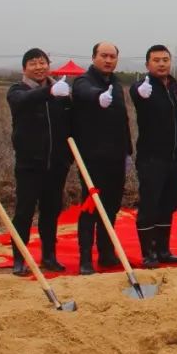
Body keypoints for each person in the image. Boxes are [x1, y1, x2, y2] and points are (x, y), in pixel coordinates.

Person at [5, 48, 72, 274]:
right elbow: (24, 101)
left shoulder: (61, 93)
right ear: (25, 68)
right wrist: (50, 91)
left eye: (42, 62)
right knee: (24, 212)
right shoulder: (17, 91)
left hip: (56, 164)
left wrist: (68, 157)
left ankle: (49, 256)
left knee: (51, 211)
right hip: (29, 165)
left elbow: (70, 123)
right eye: (33, 63)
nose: (39, 67)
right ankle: (19, 259)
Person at [71, 42, 132, 275]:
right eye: (104, 56)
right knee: (91, 207)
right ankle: (85, 258)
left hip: (116, 157)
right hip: (92, 158)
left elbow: (123, 119)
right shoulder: (84, 81)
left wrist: (127, 151)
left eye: (112, 56)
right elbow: (84, 92)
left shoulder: (115, 83)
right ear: (94, 57)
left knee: (111, 207)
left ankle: (106, 253)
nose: (108, 60)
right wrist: (98, 97)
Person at [129, 44, 177, 268]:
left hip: (175, 157)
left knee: (168, 204)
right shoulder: (144, 87)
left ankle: (163, 249)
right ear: (148, 64)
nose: (161, 64)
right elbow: (135, 92)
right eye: (156, 60)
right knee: (150, 205)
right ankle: (148, 253)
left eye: (165, 60)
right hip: (152, 158)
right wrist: (139, 91)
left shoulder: (176, 87)